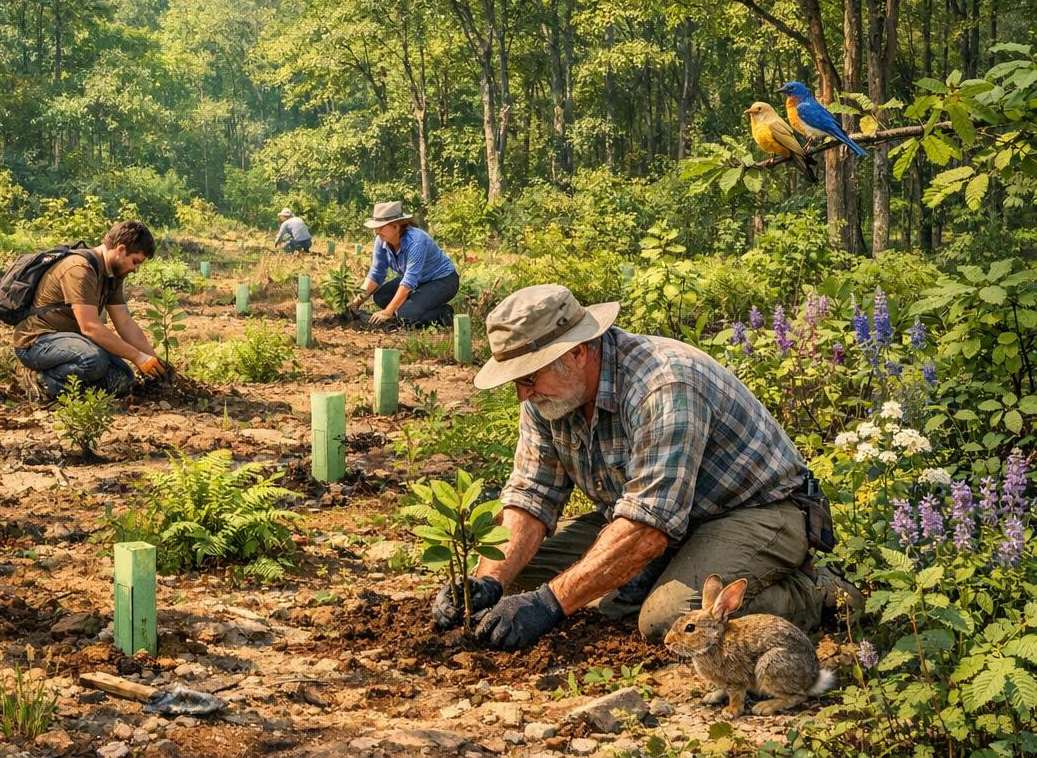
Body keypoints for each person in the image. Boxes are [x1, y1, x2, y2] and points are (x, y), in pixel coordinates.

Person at [431, 284, 860, 651]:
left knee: (669, 617)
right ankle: (650, 578)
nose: (522, 394)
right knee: (517, 573)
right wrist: (488, 582)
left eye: (528, 378)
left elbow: (647, 528)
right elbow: (531, 495)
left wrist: (547, 605)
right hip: (662, 522)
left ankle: (817, 593)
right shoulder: (547, 398)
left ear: (576, 353)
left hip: (756, 513)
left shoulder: (664, 384)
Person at [12, 219, 168, 401]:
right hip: (38, 342)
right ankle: (42, 380)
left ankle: (74, 389)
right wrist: (136, 356)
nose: (135, 269)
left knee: (123, 377)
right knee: (93, 360)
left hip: (71, 342)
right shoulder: (80, 268)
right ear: (121, 250)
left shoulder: (113, 275)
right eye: (135, 262)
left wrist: (153, 361)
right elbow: (90, 327)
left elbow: (125, 322)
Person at [360, 201, 459, 328]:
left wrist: (387, 312)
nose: (376, 231)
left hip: (442, 280)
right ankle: (417, 307)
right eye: (375, 227)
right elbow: (376, 274)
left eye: (381, 227)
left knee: (405, 314)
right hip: (419, 280)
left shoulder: (416, 241)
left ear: (396, 227)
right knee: (381, 296)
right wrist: (356, 302)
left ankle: (442, 313)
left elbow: (408, 282)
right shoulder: (382, 241)